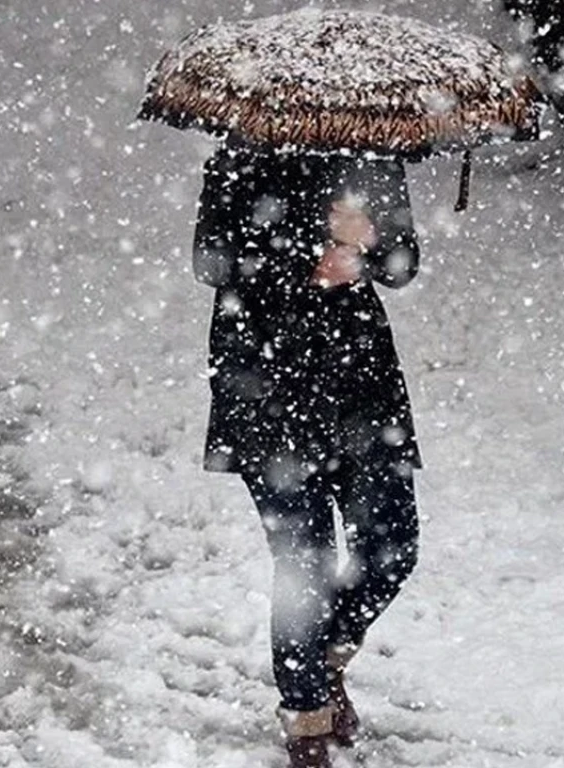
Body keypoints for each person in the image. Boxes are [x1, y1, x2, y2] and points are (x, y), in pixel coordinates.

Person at [192, 137, 422, 768]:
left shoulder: (373, 153)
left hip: (360, 387)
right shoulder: (241, 153)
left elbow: (403, 264)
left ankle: (324, 658)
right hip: (266, 385)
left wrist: (368, 243)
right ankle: (306, 722)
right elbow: (212, 261)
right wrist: (309, 249)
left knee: (392, 548)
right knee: (305, 566)